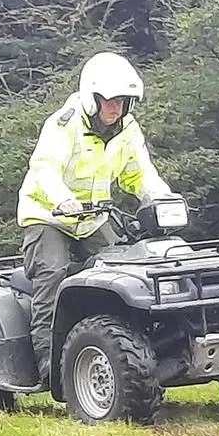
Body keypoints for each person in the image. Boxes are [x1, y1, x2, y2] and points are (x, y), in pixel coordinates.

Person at [16, 51, 173, 385]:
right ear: (92, 98)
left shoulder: (127, 130)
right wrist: (64, 200)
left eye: (123, 101)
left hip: (93, 218)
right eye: (110, 100)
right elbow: (44, 170)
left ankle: (125, 352)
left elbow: (139, 174)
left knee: (125, 269)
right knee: (53, 271)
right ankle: (49, 365)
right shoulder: (64, 124)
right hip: (48, 215)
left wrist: (162, 199)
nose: (116, 108)